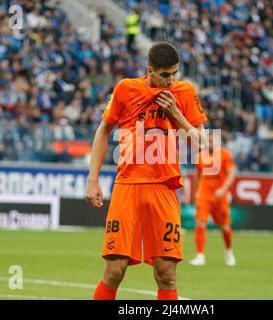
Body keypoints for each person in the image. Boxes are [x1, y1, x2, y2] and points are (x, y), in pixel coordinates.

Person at [86, 42, 208, 300]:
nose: (171, 80)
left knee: (166, 274)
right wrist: (92, 180)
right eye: (165, 75)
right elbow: (103, 131)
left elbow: (202, 143)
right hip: (127, 186)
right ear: (150, 71)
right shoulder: (126, 88)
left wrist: (175, 113)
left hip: (164, 187)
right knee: (114, 270)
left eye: (175, 73)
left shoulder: (184, 92)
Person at [189, 134, 237, 266]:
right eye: (207, 140)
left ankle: (228, 252)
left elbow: (232, 173)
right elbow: (197, 176)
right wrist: (196, 193)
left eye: (211, 140)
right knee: (200, 223)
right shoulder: (200, 156)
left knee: (225, 226)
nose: (209, 142)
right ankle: (200, 255)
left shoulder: (225, 155)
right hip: (204, 195)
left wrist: (223, 189)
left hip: (219, 196)